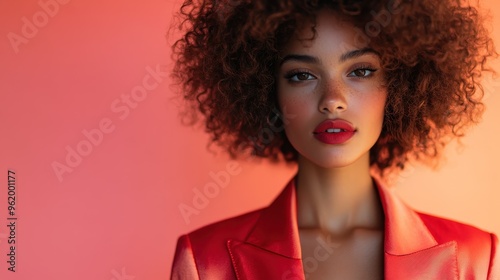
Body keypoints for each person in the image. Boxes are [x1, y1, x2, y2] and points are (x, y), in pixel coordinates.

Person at [169, 0, 499, 279]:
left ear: (398, 87)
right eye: (302, 75)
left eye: (360, 71)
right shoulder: (205, 262)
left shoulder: (478, 259)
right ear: (268, 92)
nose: (332, 99)